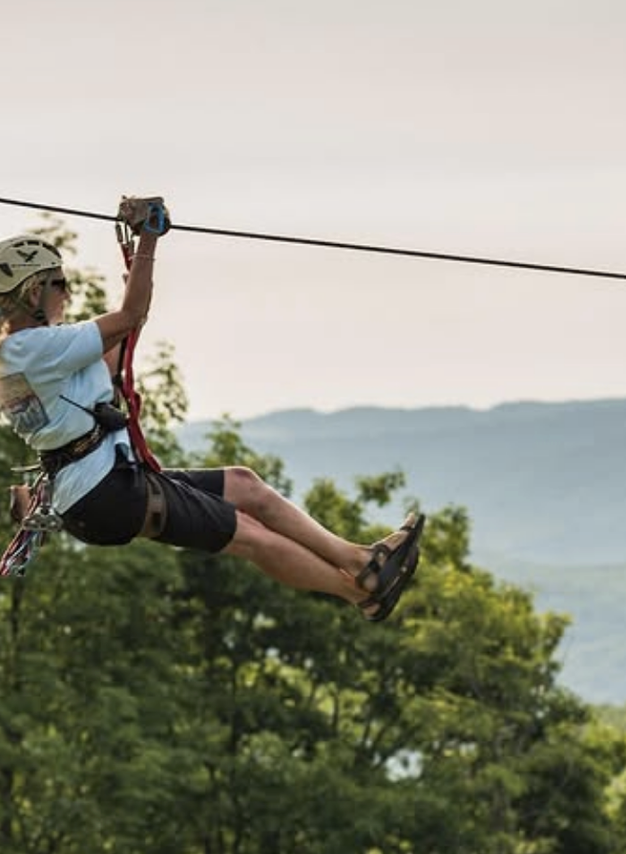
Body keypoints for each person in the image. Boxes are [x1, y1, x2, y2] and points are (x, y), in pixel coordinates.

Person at [0, 197, 422, 622]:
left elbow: (113, 354)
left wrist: (136, 287)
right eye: (60, 283)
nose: (67, 292)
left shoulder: (24, 353)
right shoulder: (32, 348)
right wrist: (147, 241)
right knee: (251, 536)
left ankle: (363, 561)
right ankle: (362, 590)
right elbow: (128, 315)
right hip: (104, 491)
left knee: (245, 485)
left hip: (100, 486)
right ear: (34, 291)